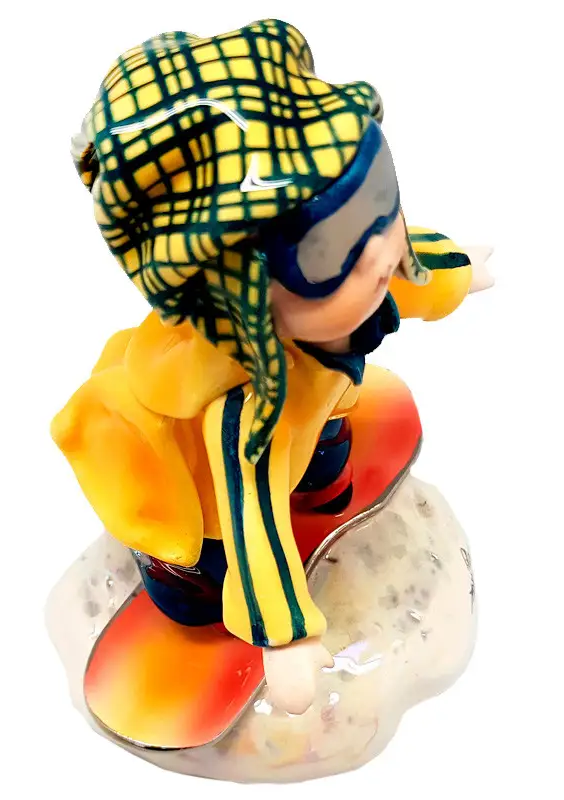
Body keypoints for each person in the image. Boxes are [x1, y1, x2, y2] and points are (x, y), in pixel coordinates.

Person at [53, 18, 492, 715]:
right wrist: (283, 636)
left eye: (379, 196)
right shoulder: (240, 409)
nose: (379, 252)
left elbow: (402, 267)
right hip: (192, 485)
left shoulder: (352, 289)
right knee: (204, 558)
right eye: (325, 253)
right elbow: (251, 509)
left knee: (321, 447)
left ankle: (321, 472)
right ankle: (185, 580)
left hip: (313, 406)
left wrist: (456, 270)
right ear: (245, 291)